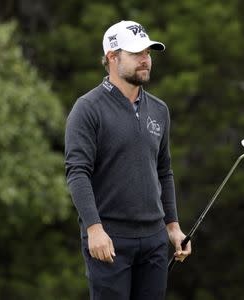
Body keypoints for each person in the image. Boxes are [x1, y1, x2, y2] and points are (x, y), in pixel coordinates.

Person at [64, 20, 191, 300]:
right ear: (112, 57)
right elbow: (77, 172)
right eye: (137, 54)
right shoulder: (87, 109)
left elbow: (164, 171)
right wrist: (94, 230)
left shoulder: (159, 110)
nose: (145, 60)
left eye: (148, 53)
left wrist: (173, 228)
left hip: (154, 239)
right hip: (109, 240)